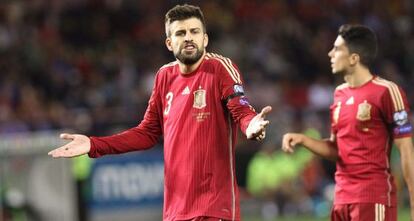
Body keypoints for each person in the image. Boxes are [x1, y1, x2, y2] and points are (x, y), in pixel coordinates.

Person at [48, 4, 272, 221]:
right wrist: (94, 144)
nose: (188, 38)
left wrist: (251, 124)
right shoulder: (164, 76)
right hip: (174, 211)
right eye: (180, 33)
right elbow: (147, 133)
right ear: (169, 42)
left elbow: (240, 109)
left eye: (194, 31)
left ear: (205, 38)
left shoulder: (220, 68)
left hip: (213, 209)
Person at [282, 24, 414, 221]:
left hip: (373, 198)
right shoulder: (339, 94)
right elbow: (338, 150)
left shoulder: (387, 92)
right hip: (341, 199)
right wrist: (303, 140)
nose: (330, 54)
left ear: (354, 58)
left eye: (336, 49)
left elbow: (406, 149)